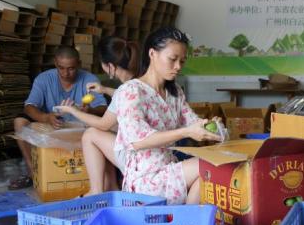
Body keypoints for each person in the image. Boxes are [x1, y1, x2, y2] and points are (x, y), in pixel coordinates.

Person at [111, 27, 222, 204]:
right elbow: (138, 141)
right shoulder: (131, 91)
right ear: (152, 54)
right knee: (208, 166)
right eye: (173, 59)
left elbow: (192, 122)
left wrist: (212, 127)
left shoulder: (174, 92)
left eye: (182, 61)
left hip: (169, 170)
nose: (178, 66)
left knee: (208, 176)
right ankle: (189, 223)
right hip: (146, 180)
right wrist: (185, 132)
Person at [54, 36, 139, 194]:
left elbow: (103, 124)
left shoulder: (124, 90)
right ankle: (112, 186)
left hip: (139, 160)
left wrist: (73, 111)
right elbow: (128, 96)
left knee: (91, 134)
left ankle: (96, 191)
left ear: (110, 67)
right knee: (110, 129)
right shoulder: (141, 81)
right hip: (153, 152)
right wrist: (105, 90)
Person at [12, 46, 106, 188]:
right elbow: (29, 106)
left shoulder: (90, 79)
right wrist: (46, 118)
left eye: (71, 68)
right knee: (20, 122)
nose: (66, 73)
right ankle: (33, 172)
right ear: (55, 63)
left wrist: (90, 111)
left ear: (79, 64)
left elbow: (104, 108)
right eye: (61, 68)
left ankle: (93, 177)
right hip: (52, 126)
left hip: (80, 129)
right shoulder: (44, 79)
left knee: (105, 127)